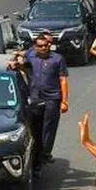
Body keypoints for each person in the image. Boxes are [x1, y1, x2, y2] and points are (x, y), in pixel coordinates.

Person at [24, 35, 70, 174]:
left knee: (48, 129)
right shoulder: (31, 55)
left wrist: (64, 101)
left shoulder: (58, 59)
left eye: (46, 45)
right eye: (40, 45)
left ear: (49, 45)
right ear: (35, 46)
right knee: (35, 129)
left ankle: (44, 154)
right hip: (35, 98)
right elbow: (22, 63)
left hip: (52, 99)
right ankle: (36, 157)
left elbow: (63, 80)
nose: (44, 48)